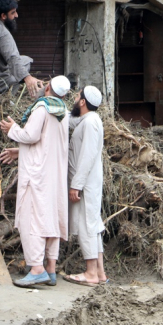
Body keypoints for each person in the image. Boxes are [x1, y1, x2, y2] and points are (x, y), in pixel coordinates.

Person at [0, 76, 71, 287]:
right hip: (55, 175)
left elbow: (31, 135)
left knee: (32, 219)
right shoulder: (64, 112)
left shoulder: (42, 109)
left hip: (37, 175)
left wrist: (12, 129)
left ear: (48, 87)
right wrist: (19, 151)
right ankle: (50, 268)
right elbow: (46, 144)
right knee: (51, 218)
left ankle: (36, 268)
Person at [64, 86, 108, 287]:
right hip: (88, 182)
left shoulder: (90, 122)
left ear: (82, 102)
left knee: (87, 224)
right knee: (92, 222)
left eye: (77, 96)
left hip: (86, 183)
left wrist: (76, 185)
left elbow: (87, 156)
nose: (74, 98)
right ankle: (99, 272)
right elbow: (71, 120)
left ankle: (90, 272)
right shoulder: (88, 120)